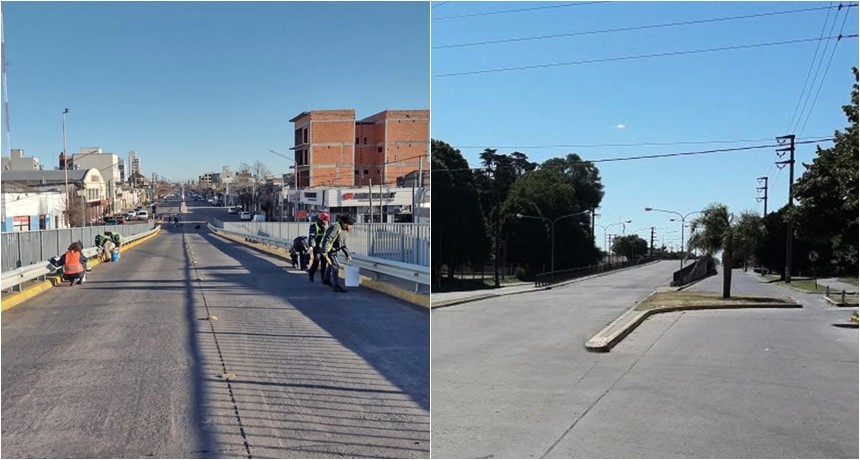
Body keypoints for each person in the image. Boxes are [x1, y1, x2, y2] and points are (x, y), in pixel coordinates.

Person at [321, 214, 354, 293]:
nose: (350, 227)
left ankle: (326, 279)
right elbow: (328, 238)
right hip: (329, 250)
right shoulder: (336, 227)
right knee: (335, 265)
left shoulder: (343, 230)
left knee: (331, 265)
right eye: (349, 225)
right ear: (344, 223)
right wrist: (325, 251)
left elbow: (342, 244)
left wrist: (347, 254)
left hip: (334, 250)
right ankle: (336, 285)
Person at [307, 212, 330, 283]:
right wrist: (311, 245)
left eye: (326, 220)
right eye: (324, 220)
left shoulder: (329, 225)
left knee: (324, 262)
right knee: (316, 260)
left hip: (325, 247)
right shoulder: (314, 225)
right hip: (317, 246)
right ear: (320, 219)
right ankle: (311, 273)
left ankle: (323, 277)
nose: (325, 221)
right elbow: (311, 236)